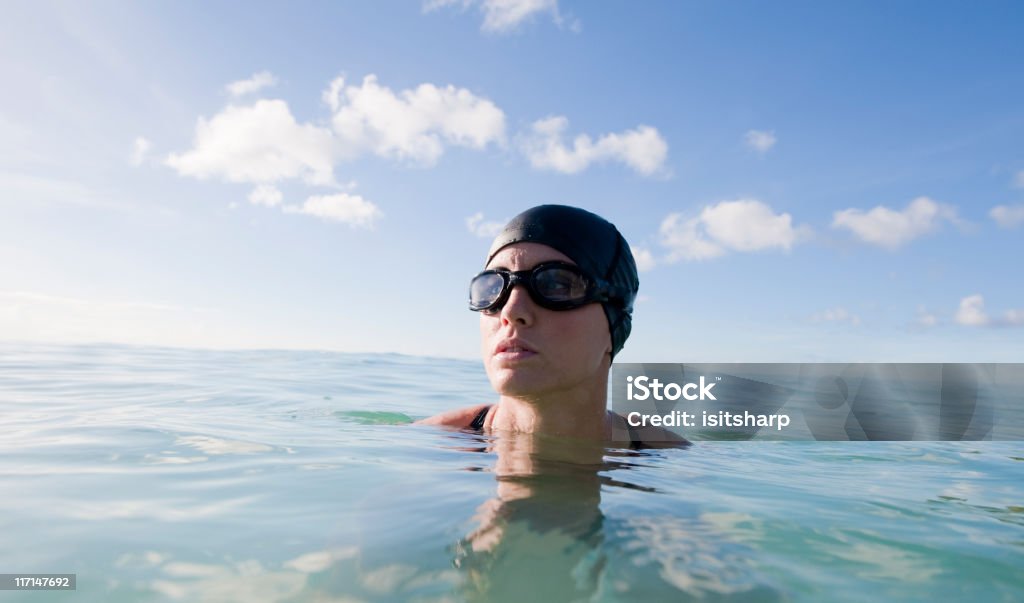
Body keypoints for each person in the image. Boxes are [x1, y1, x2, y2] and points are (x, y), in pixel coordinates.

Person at [419, 204, 687, 449]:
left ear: (614, 325)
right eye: (494, 288)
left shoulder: (674, 464)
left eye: (557, 284)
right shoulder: (431, 445)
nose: (511, 311)